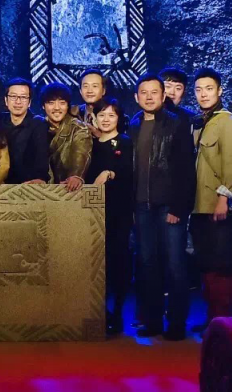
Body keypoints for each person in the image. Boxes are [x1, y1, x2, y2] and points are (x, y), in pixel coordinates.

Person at [129, 73, 196, 341]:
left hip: (169, 206)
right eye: (143, 92)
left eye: (154, 92)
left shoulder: (177, 124)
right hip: (141, 206)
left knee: (175, 264)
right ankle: (153, 321)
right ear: (136, 97)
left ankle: (177, 323)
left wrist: (178, 207)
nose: (149, 97)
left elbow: (186, 170)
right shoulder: (133, 125)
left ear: (163, 95)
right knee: (147, 264)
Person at [190, 67, 232, 331]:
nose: (203, 94)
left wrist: (224, 198)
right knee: (207, 262)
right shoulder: (203, 123)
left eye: (209, 89)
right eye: (199, 90)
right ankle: (213, 319)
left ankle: (224, 322)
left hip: (218, 205)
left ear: (220, 90)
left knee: (222, 262)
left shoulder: (229, 122)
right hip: (200, 205)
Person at [84, 98, 134, 335]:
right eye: (101, 115)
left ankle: (118, 311)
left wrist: (110, 173)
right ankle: (99, 311)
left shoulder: (124, 141)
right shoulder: (90, 144)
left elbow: (128, 172)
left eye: (111, 115)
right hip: (93, 211)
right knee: (96, 263)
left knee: (117, 260)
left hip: (118, 210)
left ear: (119, 119)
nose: (105, 119)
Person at [41, 83, 92, 191]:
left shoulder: (78, 128)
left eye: (62, 103)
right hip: (41, 188)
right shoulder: (36, 126)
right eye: (51, 103)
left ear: (68, 105)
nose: (57, 108)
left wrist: (76, 176)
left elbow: (81, 152)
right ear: (43, 106)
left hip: (67, 188)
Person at [0, 78, 50, 184]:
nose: (18, 101)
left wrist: (39, 178)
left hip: (29, 185)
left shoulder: (38, 124)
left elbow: (42, 157)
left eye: (23, 97)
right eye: (13, 96)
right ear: (6, 100)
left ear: (29, 102)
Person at [70, 69, 107, 138]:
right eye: (85, 86)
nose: (89, 91)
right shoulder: (72, 113)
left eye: (94, 86)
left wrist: (98, 134)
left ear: (103, 91)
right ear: (80, 91)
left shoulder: (114, 116)